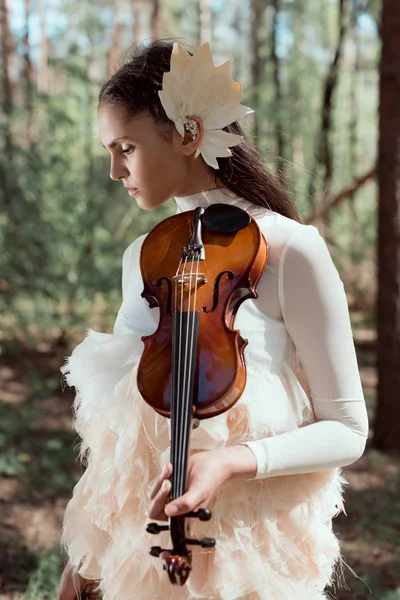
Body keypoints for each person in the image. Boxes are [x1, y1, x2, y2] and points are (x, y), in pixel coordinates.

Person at [57, 40, 369, 600]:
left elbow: (348, 430)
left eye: (125, 147)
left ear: (188, 132)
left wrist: (229, 461)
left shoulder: (290, 249)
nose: (113, 170)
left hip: (249, 554)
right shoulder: (144, 258)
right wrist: (88, 556)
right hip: (143, 557)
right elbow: (123, 438)